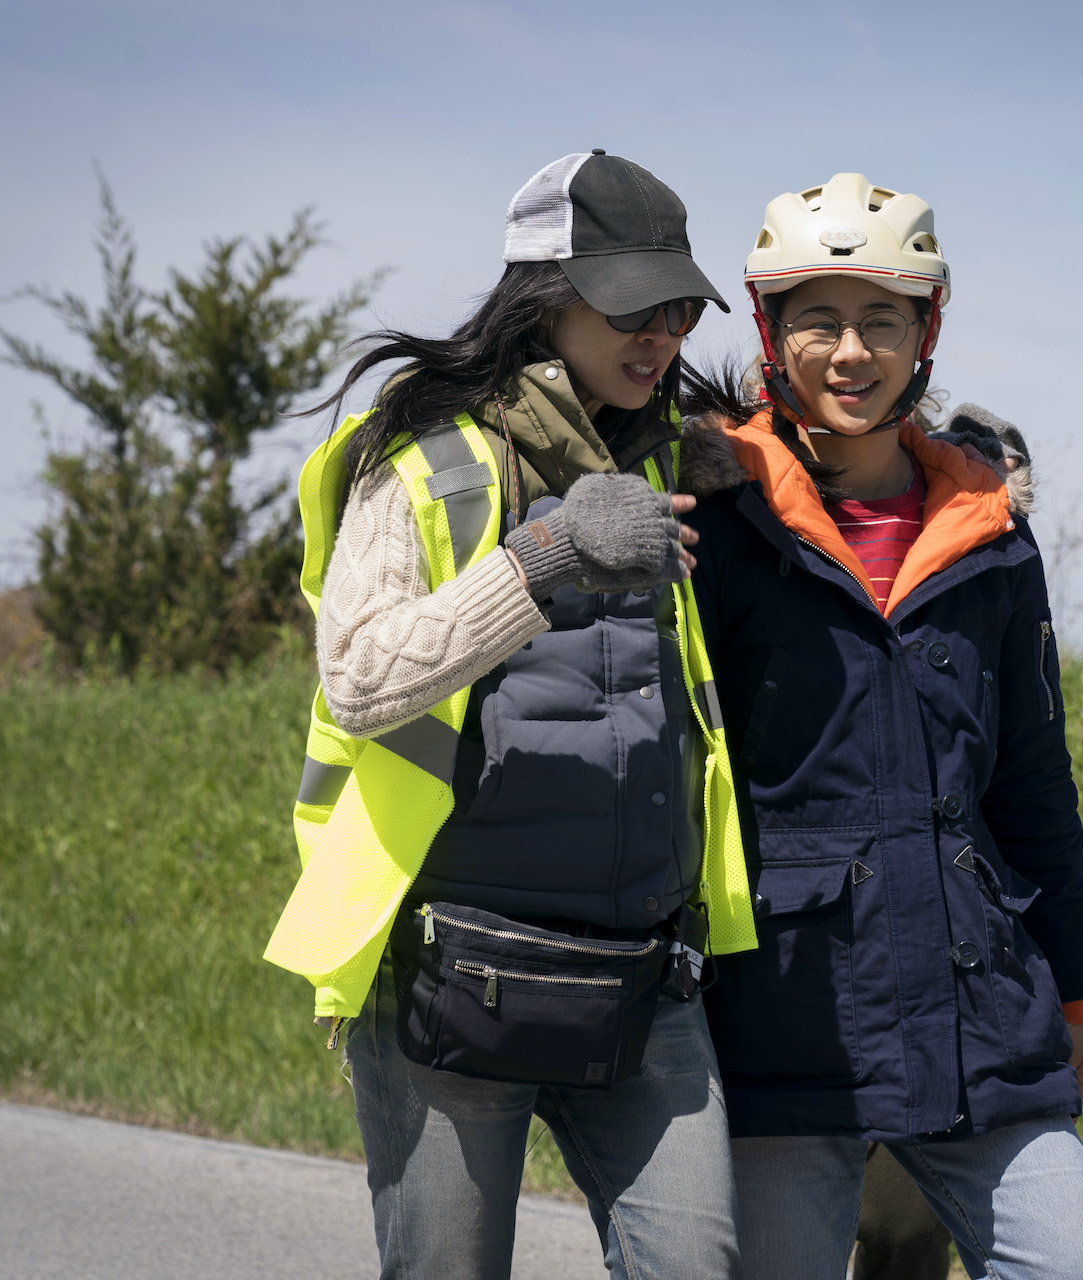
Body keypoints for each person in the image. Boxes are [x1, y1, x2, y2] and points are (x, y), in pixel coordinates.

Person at [262, 150, 760, 1280]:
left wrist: (960, 460)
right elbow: (362, 677)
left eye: (679, 310)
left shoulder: (679, 452)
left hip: (647, 968)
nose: (660, 336)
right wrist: (544, 557)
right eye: (631, 308)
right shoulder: (420, 459)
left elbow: (838, 451)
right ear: (545, 297)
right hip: (454, 968)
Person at [678, 173, 1083, 1280]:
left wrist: (1073, 995)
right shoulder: (715, 520)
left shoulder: (992, 536)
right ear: (771, 332)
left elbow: (1032, 783)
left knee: (1072, 1258)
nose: (851, 351)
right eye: (819, 320)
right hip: (783, 1027)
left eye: (882, 319)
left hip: (983, 1020)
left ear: (927, 333)